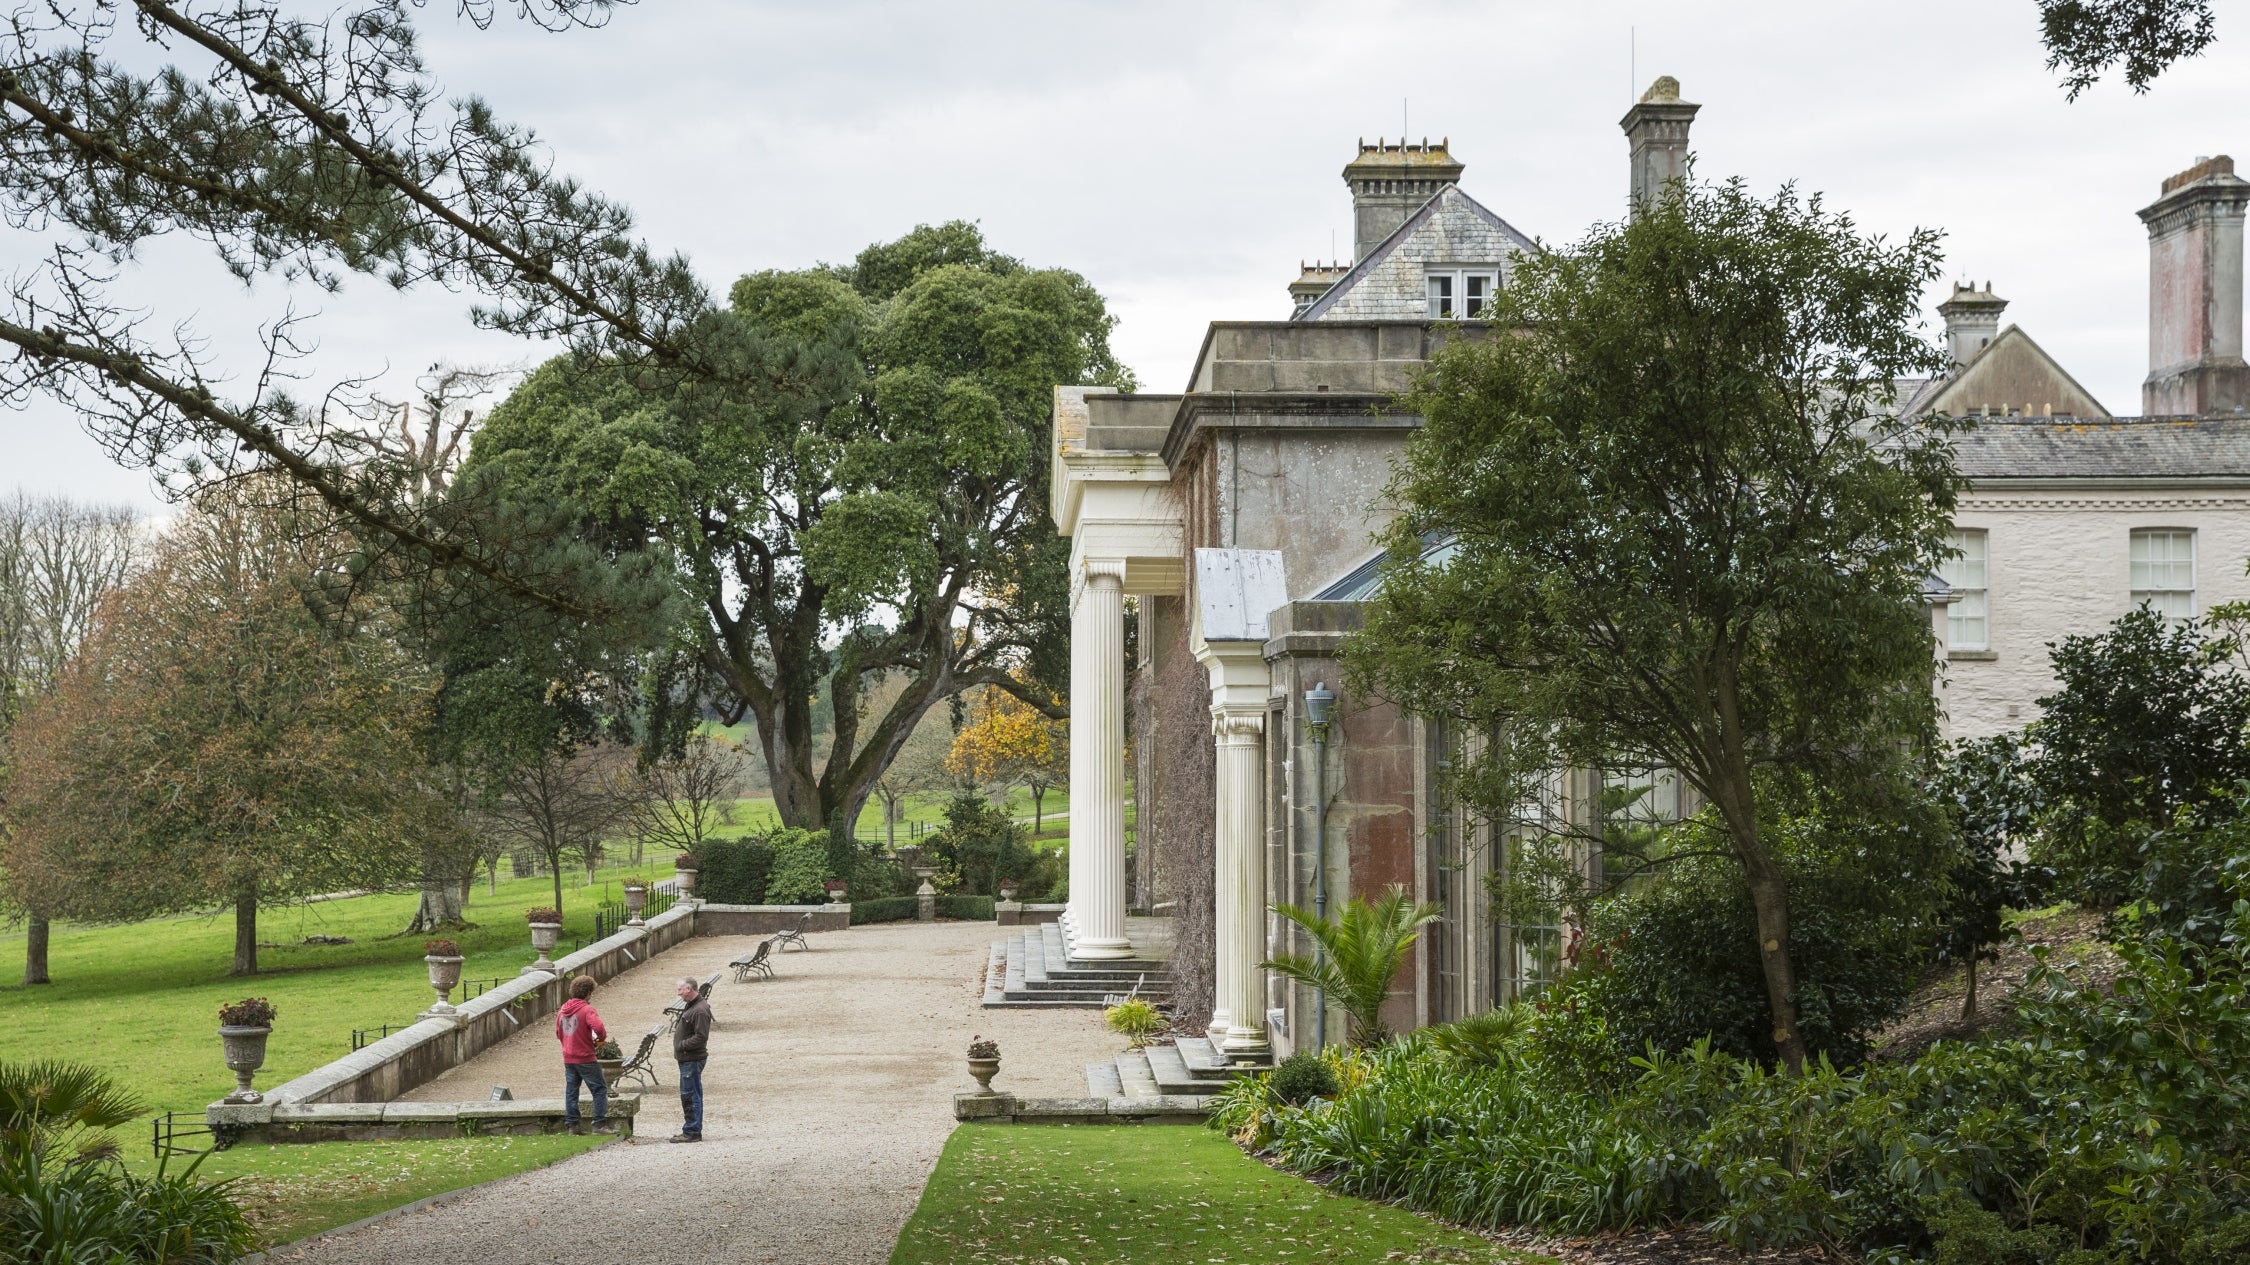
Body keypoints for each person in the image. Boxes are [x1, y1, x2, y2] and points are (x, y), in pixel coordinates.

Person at [555, 974, 609, 1135]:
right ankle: (599, 1124)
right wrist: (599, 1040)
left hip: (568, 1058)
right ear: (588, 992)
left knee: (572, 1091)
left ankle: (572, 1126)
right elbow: (598, 1028)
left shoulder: (562, 1011)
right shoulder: (587, 1009)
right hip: (585, 1057)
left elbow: (558, 1033)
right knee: (599, 1089)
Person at [670, 975, 712, 1143]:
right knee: (691, 1094)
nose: (678, 993)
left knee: (690, 1095)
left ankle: (692, 1131)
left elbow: (701, 1037)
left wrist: (682, 1045)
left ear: (689, 989)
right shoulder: (693, 1006)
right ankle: (692, 1129)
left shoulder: (699, 1010)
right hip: (688, 1058)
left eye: (680, 989)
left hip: (692, 1058)